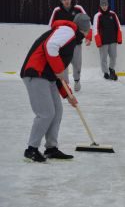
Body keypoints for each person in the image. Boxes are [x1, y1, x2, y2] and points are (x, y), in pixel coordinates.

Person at [20, 13, 91, 162]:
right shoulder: (68, 31)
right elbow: (50, 46)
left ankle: (51, 148)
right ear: (83, 29)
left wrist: (68, 95)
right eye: (86, 31)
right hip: (36, 73)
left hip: (48, 76)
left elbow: (59, 74)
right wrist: (58, 69)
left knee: (57, 111)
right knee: (46, 113)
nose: (86, 35)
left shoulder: (71, 39)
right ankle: (31, 150)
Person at [48, 0, 92, 91]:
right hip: (63, 44)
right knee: (63, 64)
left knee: (77, 63)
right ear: (61, 1)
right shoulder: (57, 11)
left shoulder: (78, 8)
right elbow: (51, 26)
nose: (66, 1)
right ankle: (65, 84)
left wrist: (88, 37)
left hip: (76, 43)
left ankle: (77, 80)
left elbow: (87, 21)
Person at [93, 0, 123, 80]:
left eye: (105, 4)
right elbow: (95, 29)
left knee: (114, 56)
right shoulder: (97, 16)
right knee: (103, 58)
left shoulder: (113, 14)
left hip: (113, 40)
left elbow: (118, 26)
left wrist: (119, 38)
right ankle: (105, 72)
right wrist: (98, 41)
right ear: (100, 6)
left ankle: (111, 69)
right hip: (103, 41)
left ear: (108, 5)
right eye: (102, 5)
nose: (104, 6)